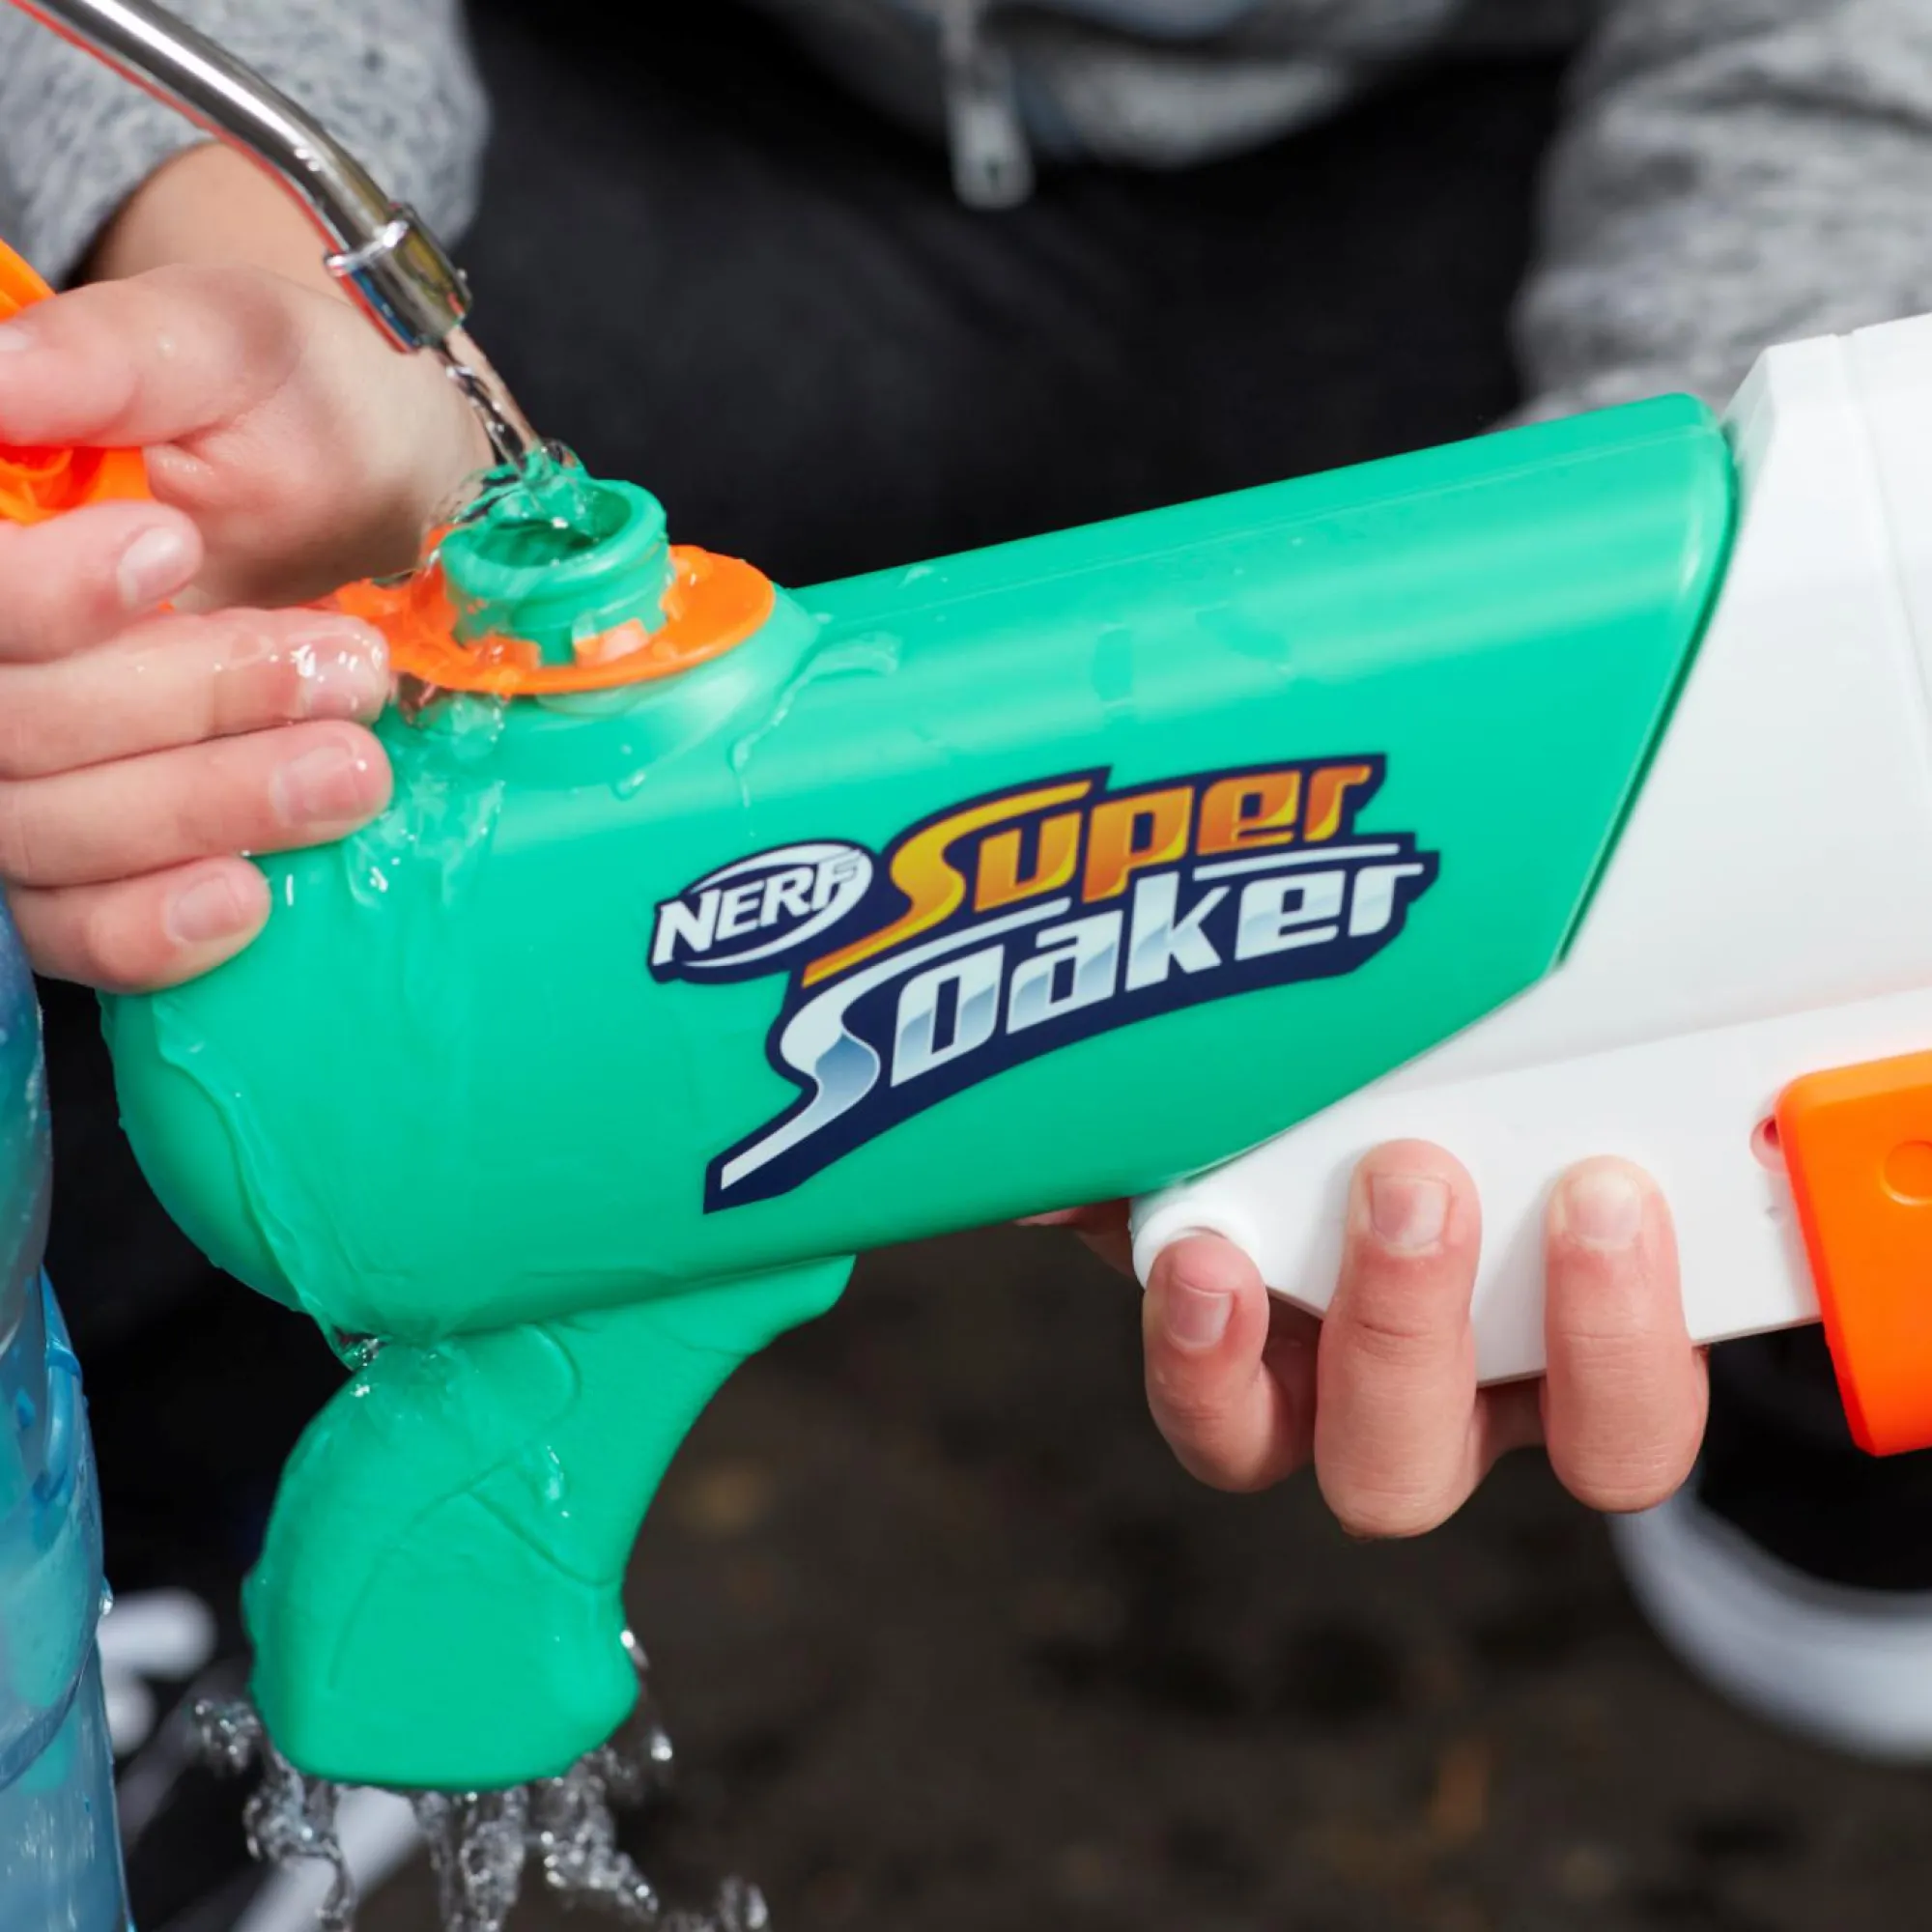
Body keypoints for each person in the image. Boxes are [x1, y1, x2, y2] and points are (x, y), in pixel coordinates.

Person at [0, 0, 1927, 1765]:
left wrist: (1740, 696)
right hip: (621, 129)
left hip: (1502, 186)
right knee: (149, 759)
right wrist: (236, 264)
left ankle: (1813, 1432)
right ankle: (172, 1520)